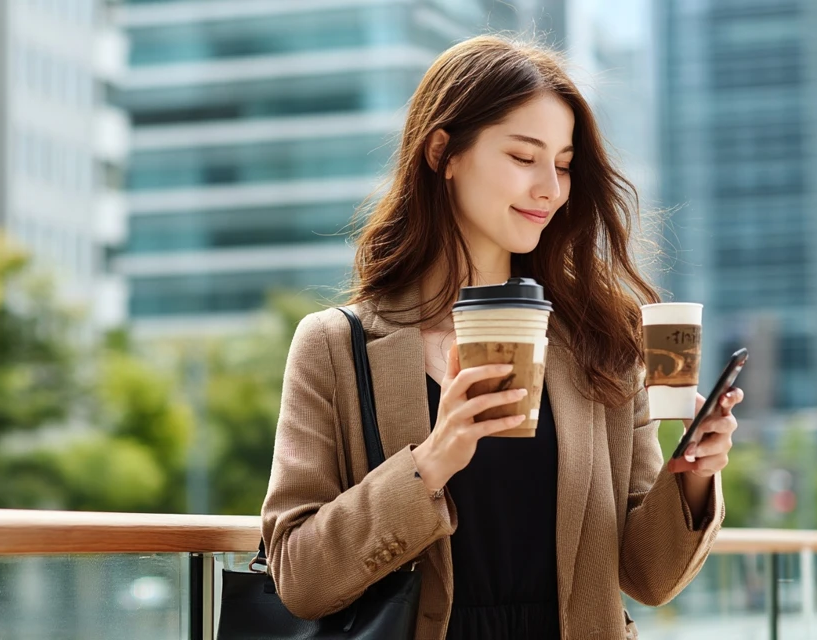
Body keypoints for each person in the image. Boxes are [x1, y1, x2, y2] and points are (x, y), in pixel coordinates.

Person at [260, 35, 743, 640]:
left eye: (564, 166)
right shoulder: (335, 345)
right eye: (523, 157)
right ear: (443, 152)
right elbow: (300, 578)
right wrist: (431, 463)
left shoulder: (602, 341)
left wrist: (693, 475)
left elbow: (646, 576)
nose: (551, 188)